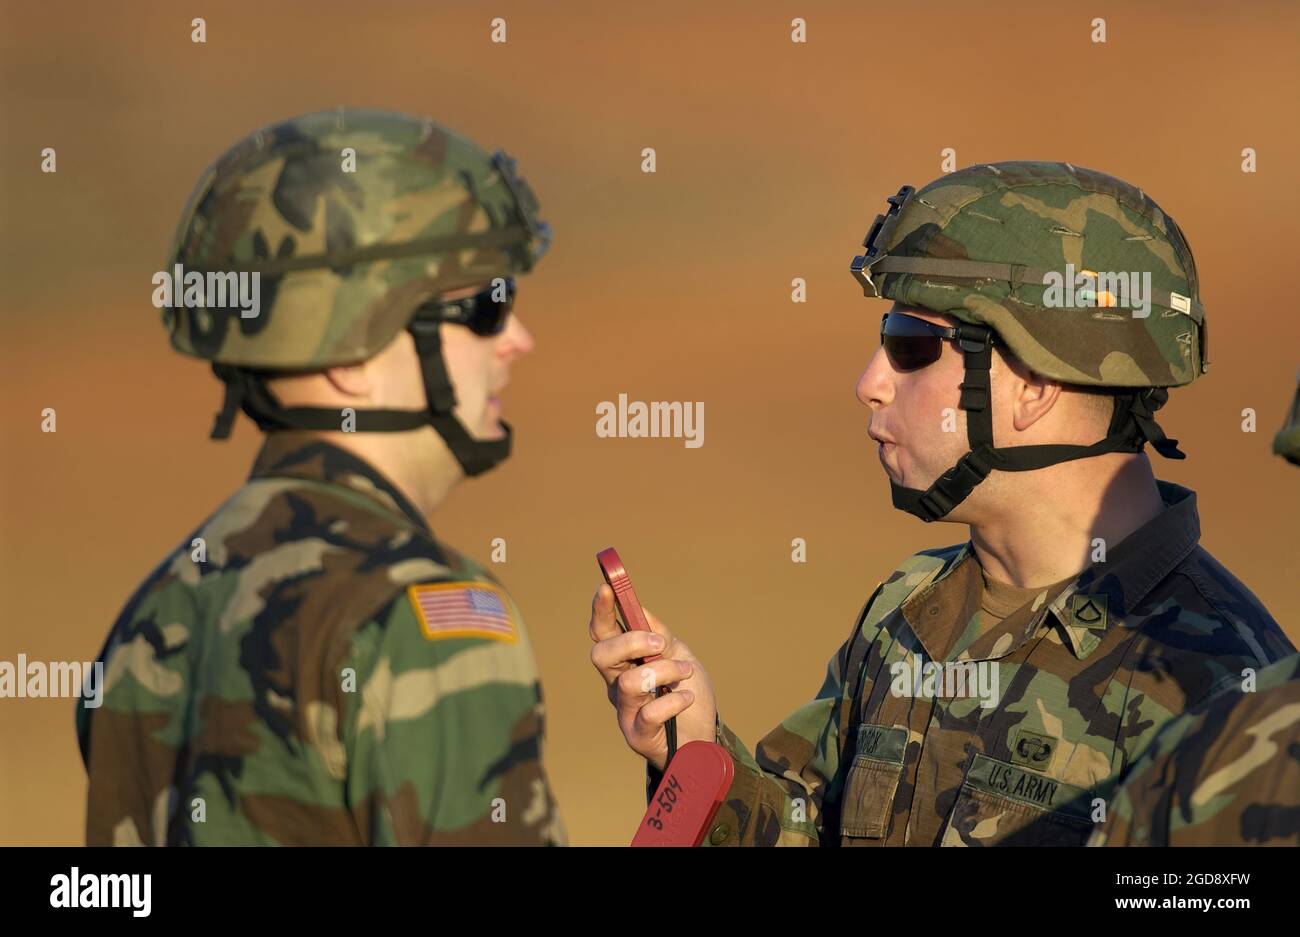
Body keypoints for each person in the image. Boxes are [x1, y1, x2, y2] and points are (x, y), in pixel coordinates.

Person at [589, 161, 1294, 846]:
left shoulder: (1225, 686)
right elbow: (809, 825)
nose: (869, 382)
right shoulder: (910, 609)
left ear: (1036, 379)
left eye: (911, 346)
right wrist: (696, 752)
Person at [76, 108, 566, 846]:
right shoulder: (423, 617)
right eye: (488, 308)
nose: (519, 341)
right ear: (350, 345)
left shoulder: (158, 610)